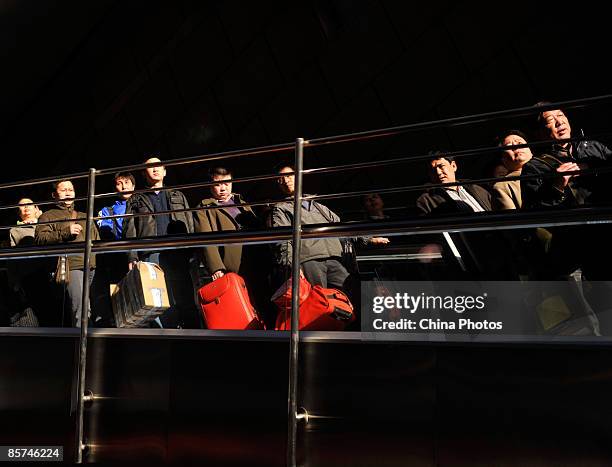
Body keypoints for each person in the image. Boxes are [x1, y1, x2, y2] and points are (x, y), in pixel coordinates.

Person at [270, 164, 388, 291]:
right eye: (280, 179)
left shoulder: (319, 207)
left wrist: (367, 239)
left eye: (288, 176)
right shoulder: (281, 208)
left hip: (334, 258)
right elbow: (282, 240)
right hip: (309, 260)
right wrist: (292, 267)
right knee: (320, 302)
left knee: (352, 294)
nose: (285, 180)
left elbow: (341, 228)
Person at [123, 157, 197, 328]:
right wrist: (132, 255)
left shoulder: (177, 194)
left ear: (165, 171)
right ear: (144, 173)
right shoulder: (136, 199)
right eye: (150, 167)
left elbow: (190, 222)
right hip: (151, 254)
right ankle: (167, 338)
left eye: (158, 166)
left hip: (178, 251)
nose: (155, 169)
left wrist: (192, 250)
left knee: (184, 295)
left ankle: (194, 335)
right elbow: (130, 229)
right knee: (160, 300)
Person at [35, 180, 100, 327]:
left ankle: (87, 344)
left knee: (91, 309)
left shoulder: (85, 215)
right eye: (63, 189)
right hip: (71, 266)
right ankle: (82, 347)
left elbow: (96, 240)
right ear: (54, 195)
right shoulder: (47, 216)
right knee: (81, 310)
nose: (68, 192)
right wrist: (66, 232)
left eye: (71, 189)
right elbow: (40, 239)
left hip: (91, 266)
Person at [416, 152, 491, 215]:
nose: (438, 172)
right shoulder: (426, 200)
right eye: (432, 170)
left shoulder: (476, 188)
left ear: (454, 166)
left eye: (441, 166)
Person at [7, 198, 44, 326]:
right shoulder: (15, 230)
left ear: (36, 209)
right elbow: (11, 259)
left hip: (50, 274)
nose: (26, 208)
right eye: (22, 206)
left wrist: (41, 219)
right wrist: (14, 281)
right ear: (19, 212)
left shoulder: (46, 223)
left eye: (29, 205)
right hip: (28, 277)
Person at [491, 130, 533, 210]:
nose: (515, 147)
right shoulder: (502, 187)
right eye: (509, 146)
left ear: (530, 151)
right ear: (503, 160)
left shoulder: (548, 169)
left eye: (520, 143)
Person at [97, 172, 135, 240]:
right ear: (114, 189)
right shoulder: (106, 210)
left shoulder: (143, 204)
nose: (124, 187)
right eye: (119, 184)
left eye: (126, 182)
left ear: (133, 186)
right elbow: (107, 234)